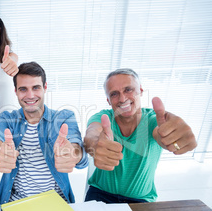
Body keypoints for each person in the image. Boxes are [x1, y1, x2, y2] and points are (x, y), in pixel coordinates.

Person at [84, 68, 197, 203]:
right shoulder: (103, 117)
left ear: (141, 91)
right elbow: (92, 133)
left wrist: (173, 138)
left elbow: (160, 133)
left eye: (128, 90)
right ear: (108, 100)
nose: (122, 98)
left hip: (140, 199)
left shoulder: (153, 120)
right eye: (114, 94)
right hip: (100, 193)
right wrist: (94, 144)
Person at [0, 62, 88, 204]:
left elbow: (77, 148)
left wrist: (72, 154)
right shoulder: (7, 118)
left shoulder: (64, 117)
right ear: (15, 91)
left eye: (36, 87)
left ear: (45, 87)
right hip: (17, 202)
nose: (30, 95)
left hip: (56, 202)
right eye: (23, 89)